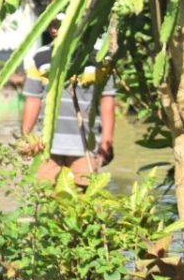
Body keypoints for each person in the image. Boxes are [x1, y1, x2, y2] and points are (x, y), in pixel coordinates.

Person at [20, 15, 116, 184]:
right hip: (46, 145)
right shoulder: (40, 58)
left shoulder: (98, 58)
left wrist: (107, 140)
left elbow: (107, 99)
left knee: (85, 197)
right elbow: (33, 100)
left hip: (85, 144)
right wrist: (27, 138)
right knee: (46, 194)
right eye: (51, 24)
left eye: (59, 24)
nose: (53, 29)